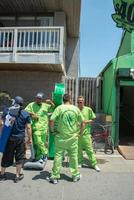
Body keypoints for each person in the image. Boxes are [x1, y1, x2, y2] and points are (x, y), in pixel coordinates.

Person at [48, 93, 85, 184]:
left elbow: (51, 120)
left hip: (61, 137)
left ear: (63, 100)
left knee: (58, 156)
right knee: (73, 157)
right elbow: (83, 122)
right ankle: (75, 176)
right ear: (70, 99)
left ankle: (55, 176)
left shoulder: (59, 108)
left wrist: (52, 131)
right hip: (72, 138)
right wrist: (79, 134)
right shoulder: (75, 109)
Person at [0, 96, 32, 183]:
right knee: (19, 157)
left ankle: (2, 174)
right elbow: (28, 127)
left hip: (9, 139)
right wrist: (30, 138)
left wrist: (2, 135)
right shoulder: (25, 114)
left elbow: (2, 124)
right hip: (20, 139)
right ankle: (17, 176)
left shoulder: (7, 111)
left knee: (6, 156)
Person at [25, 92, 54, 163]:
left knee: (40, 145)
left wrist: (50, 102)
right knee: (38, 141)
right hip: (36, 128)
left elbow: (53, 108)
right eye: (37, 98)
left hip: (44, 129)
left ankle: (39, 157)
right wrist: (32, 114)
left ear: (42, 99)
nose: (38, 99)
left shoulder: (45, 105)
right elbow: (25, 112)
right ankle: (45, 152)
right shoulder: (31, 105)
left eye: (40, 98)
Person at [77, 96, 100, 172]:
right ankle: (80, 162)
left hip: (86, 134)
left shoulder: (88, 109)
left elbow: (93, 119)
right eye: (78, 102)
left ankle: (94, 164)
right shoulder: (76, 110)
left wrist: (86, 122)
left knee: (89, 150)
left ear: (83, 102)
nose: (80, 103)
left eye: (81, 102)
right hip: (78, 134)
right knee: (78, 150)